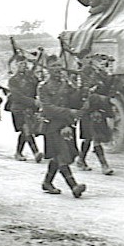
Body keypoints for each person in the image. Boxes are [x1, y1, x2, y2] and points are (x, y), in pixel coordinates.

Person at [37, 55, 87, 197]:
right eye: (53, 66)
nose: (57, 69)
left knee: (60, 155)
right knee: (62, 155)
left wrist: (81, 91)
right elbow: (47, 108)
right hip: (52, 125)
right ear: (48, 69)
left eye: (59, 65)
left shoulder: (66, 83)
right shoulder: (43, 87)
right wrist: (69, 112)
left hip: (66, 124)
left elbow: (74, 101)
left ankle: (47, 182)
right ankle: (73, 186)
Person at [76, 53, 117, 175]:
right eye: (100, 62)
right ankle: (104, 165)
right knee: (95, 138)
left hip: (99, 110)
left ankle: (81, 159)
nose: (103, 64)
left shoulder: (104, 75)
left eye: (104, 62)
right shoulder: (84, 74)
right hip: (88, 110)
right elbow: (82, 93)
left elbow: (109, 92)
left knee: (90, 138)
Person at [7, 55, 43, 162]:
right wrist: (33, 102)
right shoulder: (13, 80)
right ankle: (36, 152)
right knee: (26, 128)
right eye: (20, 64)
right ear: (15, 66)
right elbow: (18, 97)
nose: (23, 65)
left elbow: (39, 88)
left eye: (24, 63)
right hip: (18, 108)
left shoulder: (32, 77)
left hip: (30, 109)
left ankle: (18, 152)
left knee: (25, 131)